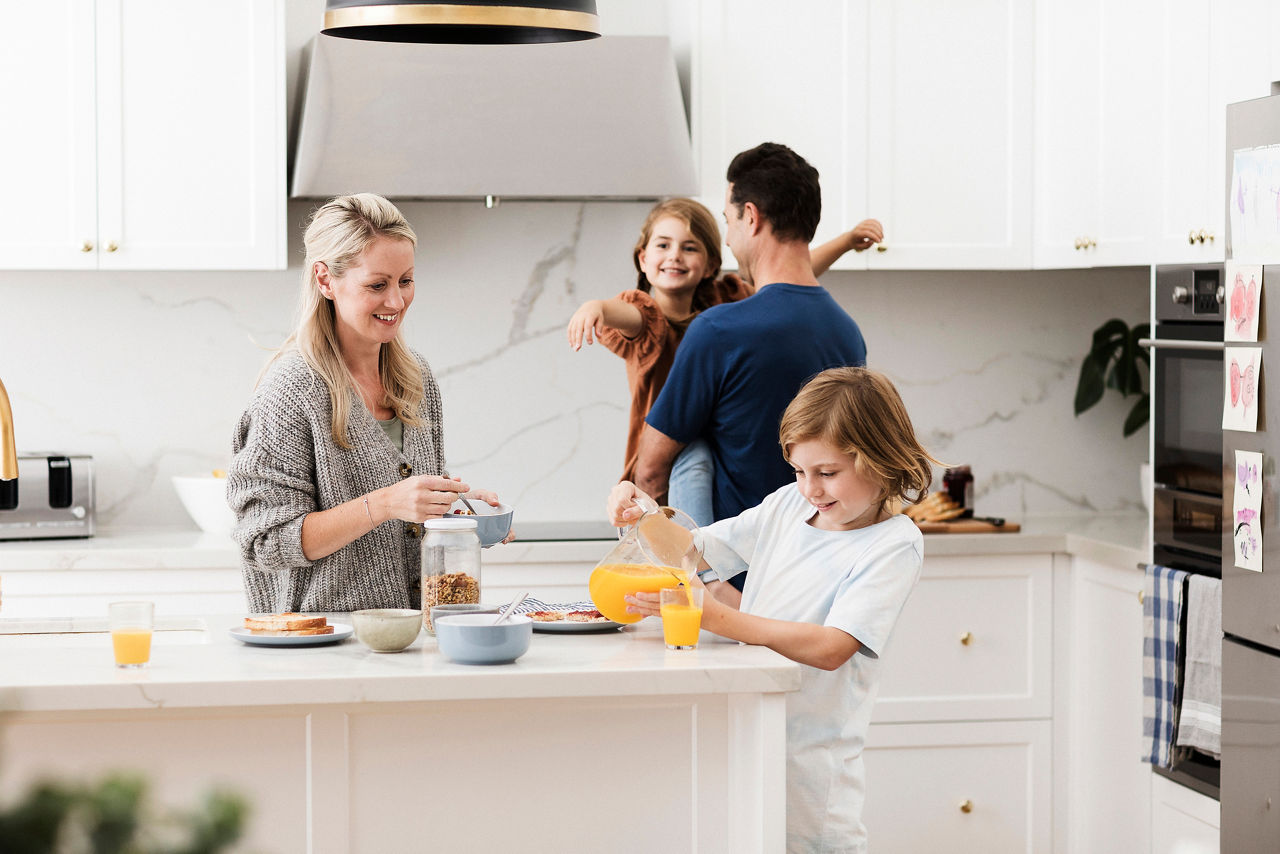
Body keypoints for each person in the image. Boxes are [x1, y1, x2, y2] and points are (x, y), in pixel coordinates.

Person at [608, 366, 941, 853]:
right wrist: (642, 512)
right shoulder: (789, 506)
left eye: (827, 473)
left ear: (882, 461)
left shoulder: (893, 544)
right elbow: (693, 551)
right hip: (750, 727)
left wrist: (719, 618)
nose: (811, 488)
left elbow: (833, 648)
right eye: (800, 471)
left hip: (811, 766)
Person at [227, 193, 507, 614]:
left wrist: (452, 508)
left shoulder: (415, 379)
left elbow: (405, 513)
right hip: (322, 648)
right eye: (377, 285)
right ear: (325, 280)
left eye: (406, 281)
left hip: (416, 637)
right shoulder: (290, 391)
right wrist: (385, 503)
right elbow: (266, 541)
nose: (396, 301)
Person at [634, 143, 871, 588]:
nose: (727, 237)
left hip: (730, 591)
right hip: (815, 583)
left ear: (751, 216)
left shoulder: (719, 330)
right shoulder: (847, 332)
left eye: (727, 221)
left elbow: (650, 471)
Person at [566, 195, 881, 526]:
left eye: (690, 248)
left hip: (712, 451)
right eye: (663, 245)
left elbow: (789, 274)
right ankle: (701, 562)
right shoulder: (647, 320)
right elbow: (627, 315)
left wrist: (845, 242)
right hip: (670, 452)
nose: (674, 255)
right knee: (693, 458)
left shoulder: (723, 304)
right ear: (643, 259)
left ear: (710, 265)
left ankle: (700, 558)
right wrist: (596, 308)